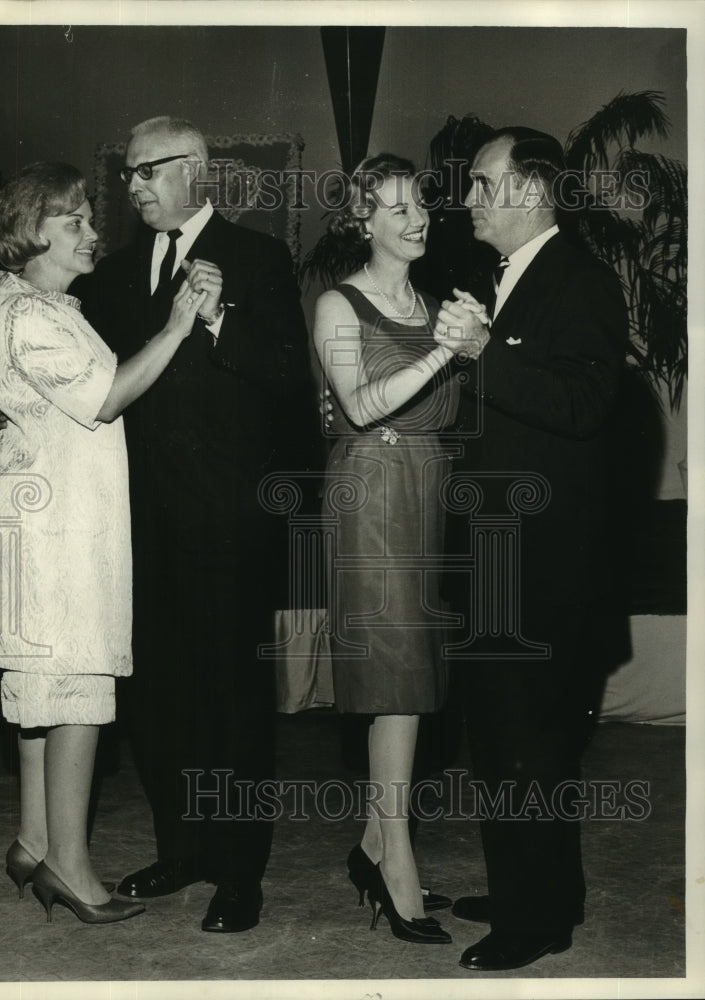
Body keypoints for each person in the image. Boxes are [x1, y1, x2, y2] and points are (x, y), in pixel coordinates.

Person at [72, 116, 317, 933]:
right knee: (159, 699)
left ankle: (239, 874)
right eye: (129, 173)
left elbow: (287, 377)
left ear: (198, 170)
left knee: (234, 702)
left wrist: (217, 319)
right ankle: (182, 850)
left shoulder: (257, 258)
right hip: (137, 525)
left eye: (150, 170)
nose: (134, 184)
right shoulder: (108, 277)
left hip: (231, 525)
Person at [0, 161, 207, 925]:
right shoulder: (34, 317)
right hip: (59, 531)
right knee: (74, 688)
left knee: (45, 693)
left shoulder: (39, 304)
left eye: (87, 218)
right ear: (29, 231)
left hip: (51, 516)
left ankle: (34, 839)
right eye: (73, 221)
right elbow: (107, 397)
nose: (92, 233)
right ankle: (70, 868)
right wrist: (178, 323)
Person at [433, 127, 628, 970]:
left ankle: (536, 916)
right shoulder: (502, 281)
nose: (469, 199)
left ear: (530, 191)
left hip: (543, 568)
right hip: (497, 557)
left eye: (481, 184)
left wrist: (481, 355)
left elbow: (584, 404)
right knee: (505, 738)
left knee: (532, 744)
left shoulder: (579, 280)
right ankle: (532, 888)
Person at [312, 154, 484, 944]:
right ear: (363, 221)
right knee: (392, 676)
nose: (415, 218)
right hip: (371, 489)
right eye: (395, 207)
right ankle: (395, 865)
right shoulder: (338, 305)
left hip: (427, 487)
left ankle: (379, 840)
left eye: (419, 204)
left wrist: (472, 344)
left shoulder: (433, 302)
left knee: (411, 674)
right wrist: (447, 351)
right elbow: (359, 403)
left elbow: (451, 408)